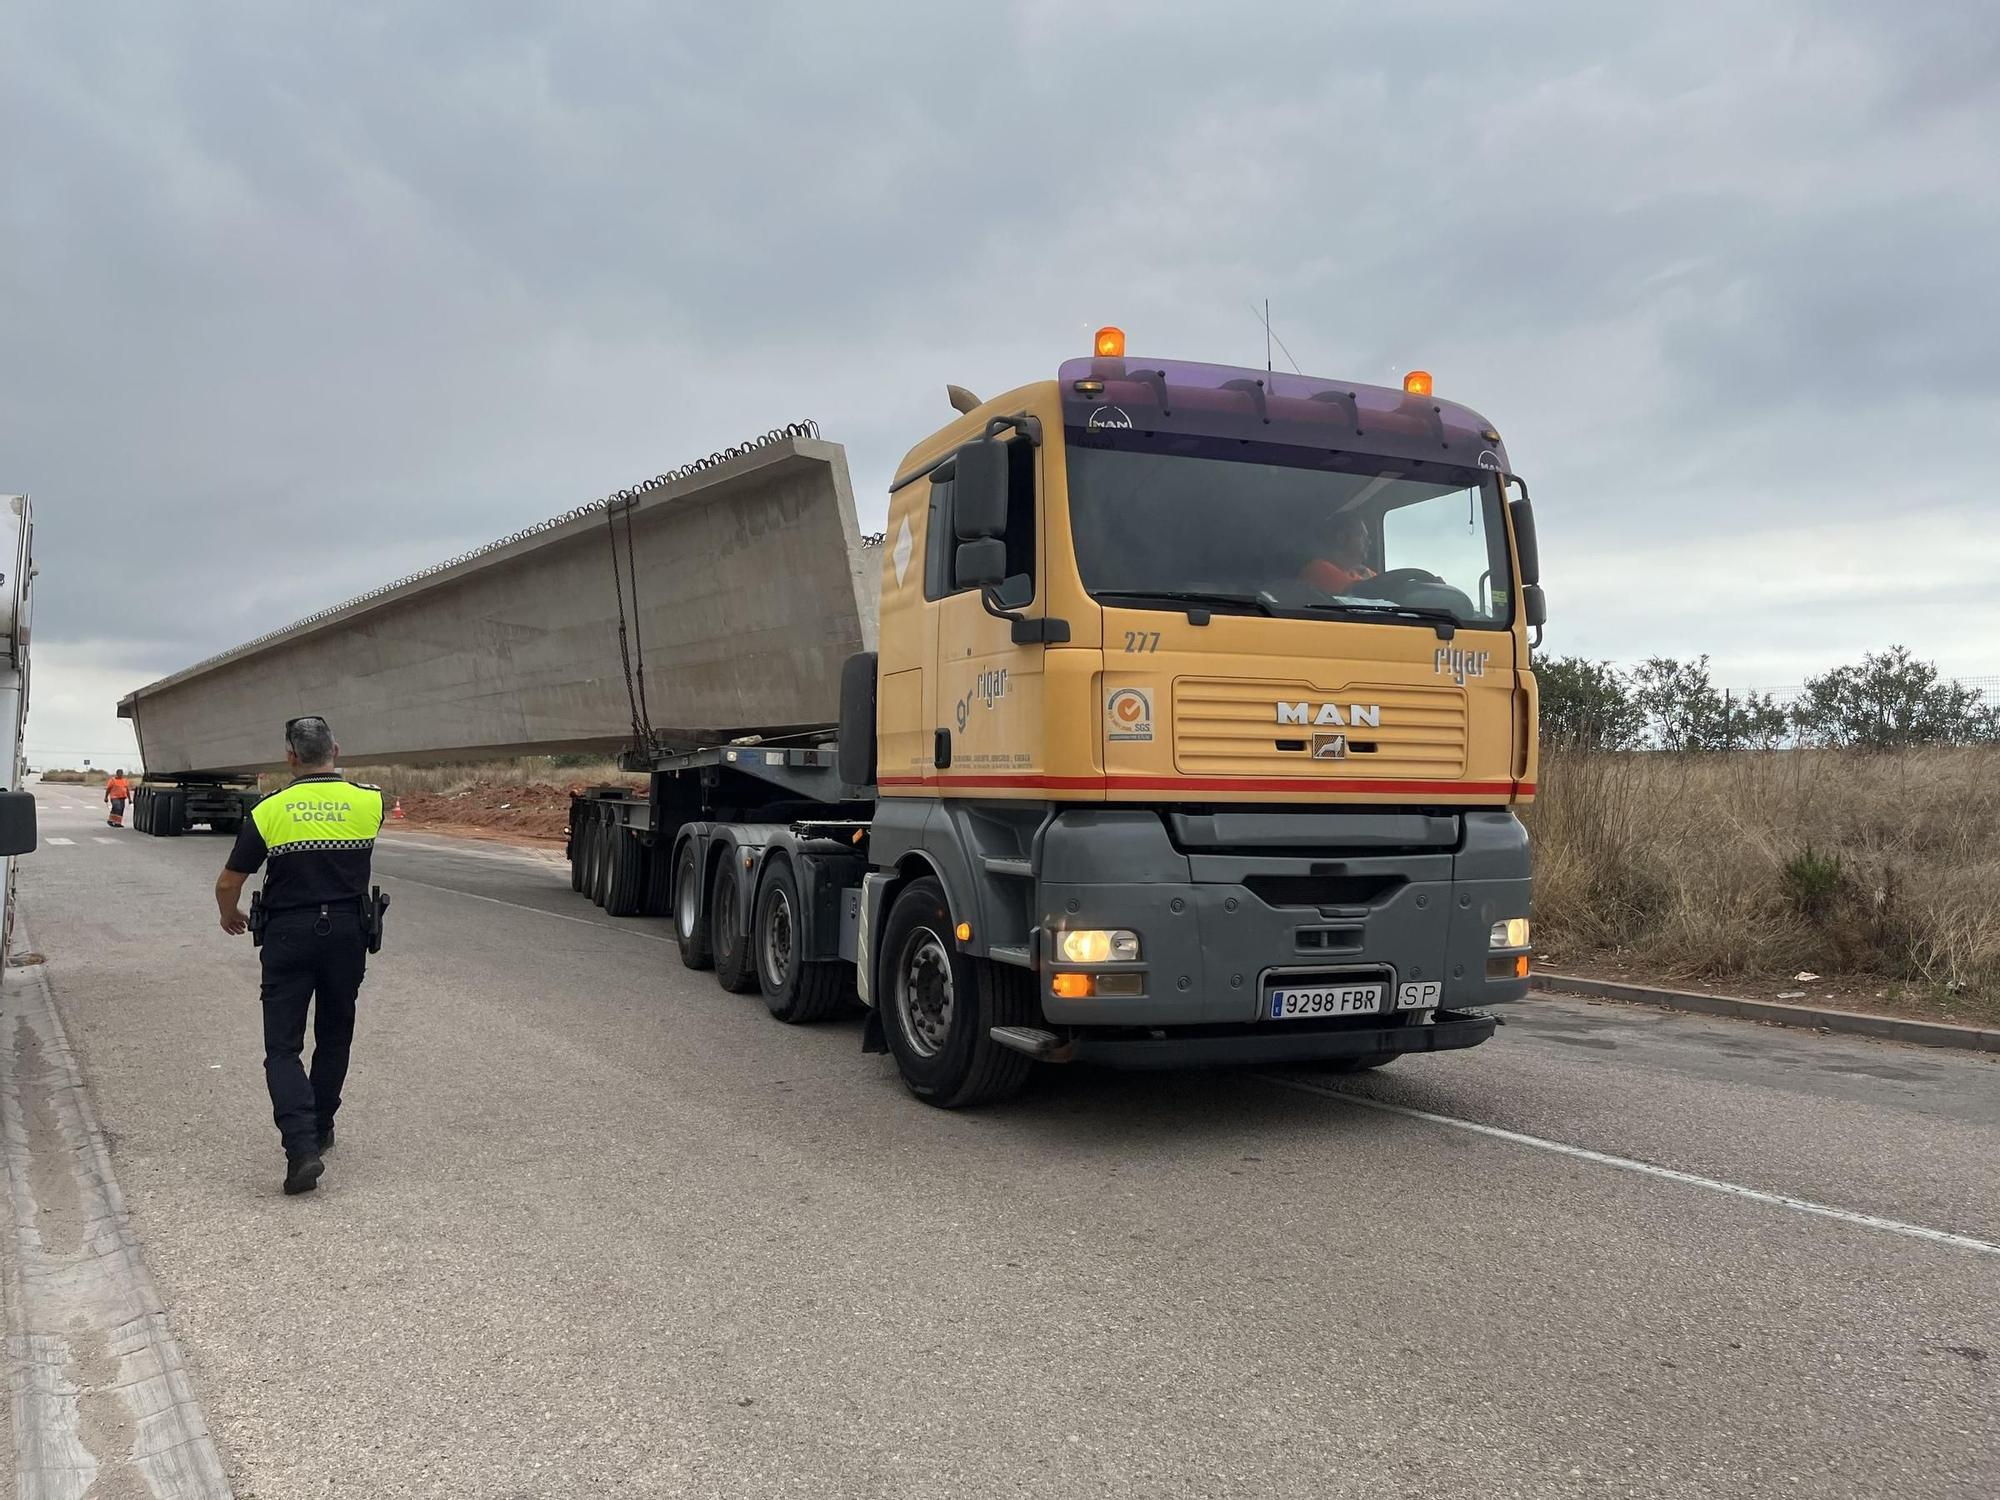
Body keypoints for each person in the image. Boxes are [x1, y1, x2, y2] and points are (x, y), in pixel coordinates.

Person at [214, 717, 384, 1196]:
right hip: (349, 932)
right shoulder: (370, 801)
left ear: (290, 757)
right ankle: (323, 1125)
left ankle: (302, 1148)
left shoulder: (270, 810)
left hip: (288, 934)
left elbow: (230, 881)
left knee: (283, 1048)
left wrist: (230, 914)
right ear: (336, 748)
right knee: (334, 1036)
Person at [1300, 510, 1378, 594]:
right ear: (1342, 538)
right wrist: (1372, 582)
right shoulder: (1317, 570)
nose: (1368, 542)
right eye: (1361, 536)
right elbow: (1359, 593)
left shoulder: (1357, 572)